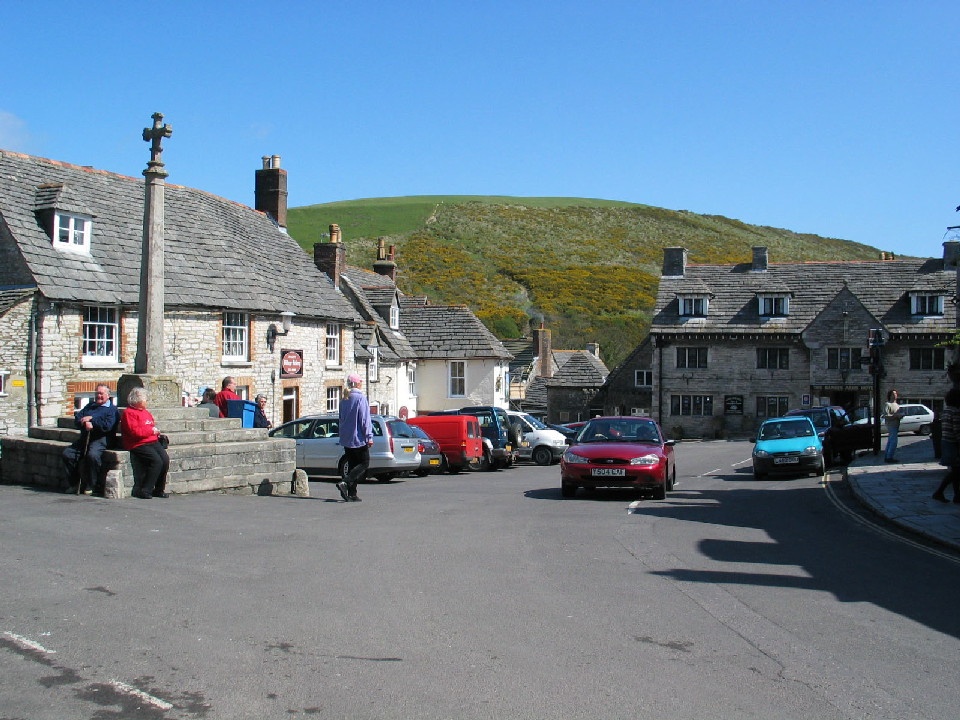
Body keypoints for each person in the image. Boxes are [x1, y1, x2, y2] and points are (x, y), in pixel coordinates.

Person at [62, 383, 120, 494]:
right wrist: (84, 423)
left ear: (108, 395)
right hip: (86, 437)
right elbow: (78, 418)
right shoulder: (90, 406)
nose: (99, 396)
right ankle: (74, 483)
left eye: (101, 393)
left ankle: (92, 485)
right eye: (97, 393)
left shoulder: (112, 410)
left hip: (102, 438)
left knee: (92, 456)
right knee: (68, 454)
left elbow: (107, 426)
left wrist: (92, 421)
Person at [121, 387, 171, 499]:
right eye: (145, 399)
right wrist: (151, 431)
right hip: (137, 443)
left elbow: (150, 426)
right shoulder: (129, 413)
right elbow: (135, 432)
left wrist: (155, 432)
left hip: (151, 440)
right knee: (156, 461)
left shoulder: (146, 412)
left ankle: (159, 489)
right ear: (137, 400)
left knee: (165, 460)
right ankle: (146, 489)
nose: (146, 401)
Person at [337, 373, 373, 502]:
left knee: (352, 465)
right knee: (364, 463)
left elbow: (340, 418)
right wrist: (369, 436)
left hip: (347, 438)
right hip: (358, 437)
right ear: (357, 384)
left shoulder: (344, 399)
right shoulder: (360, 398)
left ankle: (352, 493)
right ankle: (346, 482)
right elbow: (365, 419)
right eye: (361, 382)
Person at [933, 389, 960, 503]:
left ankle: (957, 496)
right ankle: (939, 492)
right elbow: (957, 431)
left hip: (946, 442)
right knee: (956, 471)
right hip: (954, 443)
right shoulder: (955, 412)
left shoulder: (946, 411)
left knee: (955, 470)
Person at [883, 389, 904, 463]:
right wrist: (896, 416)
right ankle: (889, 457)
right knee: (894, 442)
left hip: (896, 424)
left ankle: (887, 456)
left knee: (890, 441)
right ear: (890, 395)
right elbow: (886, 416)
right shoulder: (887, 404)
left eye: (895, 394)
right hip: (891, 425)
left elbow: (899, 414)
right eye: (893, 394)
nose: (895, 395)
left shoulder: (897, 405)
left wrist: (901, 416)